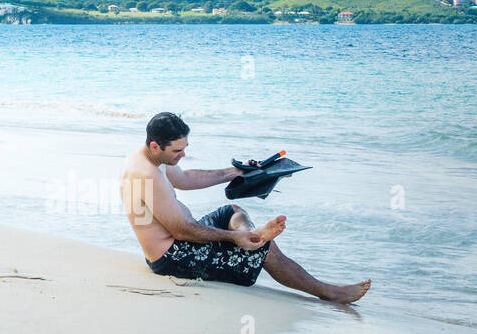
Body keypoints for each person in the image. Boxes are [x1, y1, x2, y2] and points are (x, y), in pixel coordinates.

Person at [120, 112, 371, 304]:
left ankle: (253, 234)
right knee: (264, 249)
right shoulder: (145, 175)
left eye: (185, 148)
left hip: (180, 241)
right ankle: (329, 292)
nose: (183, 155)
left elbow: (185, 180)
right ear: (155, 146)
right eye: (178, 150)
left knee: (232, 211)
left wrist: (236, 172)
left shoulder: (152, 157)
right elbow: (182, 231)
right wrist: (234, 238)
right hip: (173, 258)